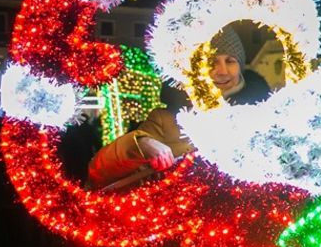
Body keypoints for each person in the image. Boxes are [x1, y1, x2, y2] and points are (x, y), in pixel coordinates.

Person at [87, 26, 269, 189]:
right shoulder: (167, 120)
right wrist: (140, 144)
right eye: (211, 62)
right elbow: (99, 172)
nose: (222, 70)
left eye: (230, 61)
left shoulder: (264, 115)